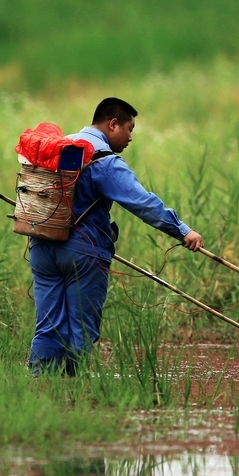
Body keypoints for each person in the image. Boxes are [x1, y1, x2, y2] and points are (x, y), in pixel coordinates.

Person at [28, 97, 203, 376]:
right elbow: (142, 203)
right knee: (81, 328)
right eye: (129, 129)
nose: (131, 137)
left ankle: (39, 386)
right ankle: (70, 390)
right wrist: (182, 230)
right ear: (113, 124)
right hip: (83, 253)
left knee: (47, 325)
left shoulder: (57, 146)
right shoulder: (104, 159)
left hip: (41, 246)